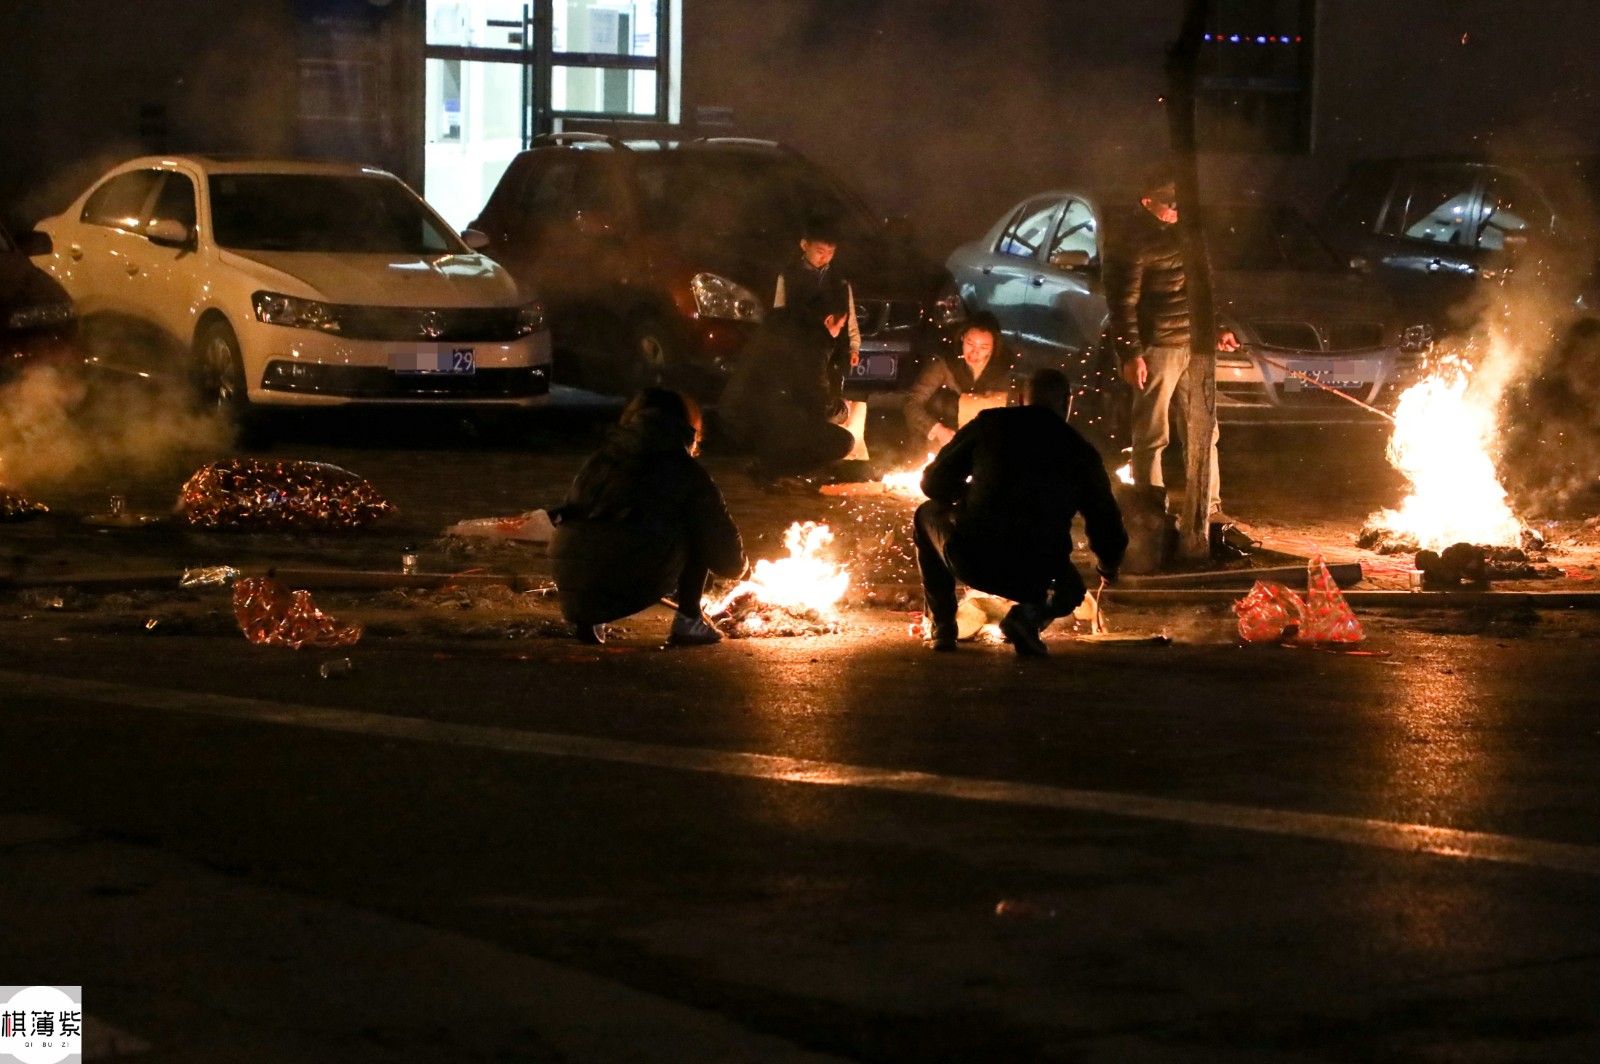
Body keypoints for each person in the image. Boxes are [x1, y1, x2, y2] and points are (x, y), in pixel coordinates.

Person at [914, 368, 1127, 657]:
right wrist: (1108, 565)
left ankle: (943, 627)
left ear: (1020, 398)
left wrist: (964, 498)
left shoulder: (990, 423)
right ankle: (1029, 619)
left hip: (975, 559)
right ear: (1068, 402)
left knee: (926, 513)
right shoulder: (1080, 451)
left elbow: (932, 483)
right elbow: (1106, 522)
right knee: (1072, 588)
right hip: (1037, 573)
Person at [550, 388, 745, 645]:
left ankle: (589, 619)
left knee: (606, 527)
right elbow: (724, 552)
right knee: (695, 524)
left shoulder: (599, 460)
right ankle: (689, 620)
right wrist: (744, 569)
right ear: (685, 427)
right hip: (627, 574)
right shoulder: (683, 469)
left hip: (572, 585)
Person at [1103, 169, 1240, 529]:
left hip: (1194, 347)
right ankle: (1150, 514)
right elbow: (1122, 303)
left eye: (1181, 201)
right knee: (1152, 433)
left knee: (1204, 430)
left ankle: (1208, 509)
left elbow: (1201, 290)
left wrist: (1217, 328)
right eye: (1170, 202)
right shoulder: (1130, 241)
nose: (1177, 207)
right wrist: (1131, 353)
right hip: (1158, 349)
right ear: (1147, 201)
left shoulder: (1188, 235)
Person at [717, 305, 856, 492]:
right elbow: (817, 403)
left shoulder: (781, 327)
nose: (839, 333)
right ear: (829, 319)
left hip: (736, 414)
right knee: (843, 441)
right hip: (762, 421)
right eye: (840, 326)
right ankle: (772, 470)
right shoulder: (812, 344)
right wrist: (844, 411)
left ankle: (768, 463)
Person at [903, 311, 1016, 451]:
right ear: (962, 337)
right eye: (970, 344)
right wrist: (938, 430)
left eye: (983, 348)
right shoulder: (945, 363)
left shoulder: (1002, 370)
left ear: (993, 347)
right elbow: (911, 402)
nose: (975, 352)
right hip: (942, 441)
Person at [773, 216, 861, 380]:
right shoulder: (789, 276)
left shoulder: (840, 281)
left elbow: (850, 318)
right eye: (820, 252)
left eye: (830, 253)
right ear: (805, 245)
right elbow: (779, 315)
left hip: (832, 354)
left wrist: (854, 347)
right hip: (799, 352)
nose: (825, 258)